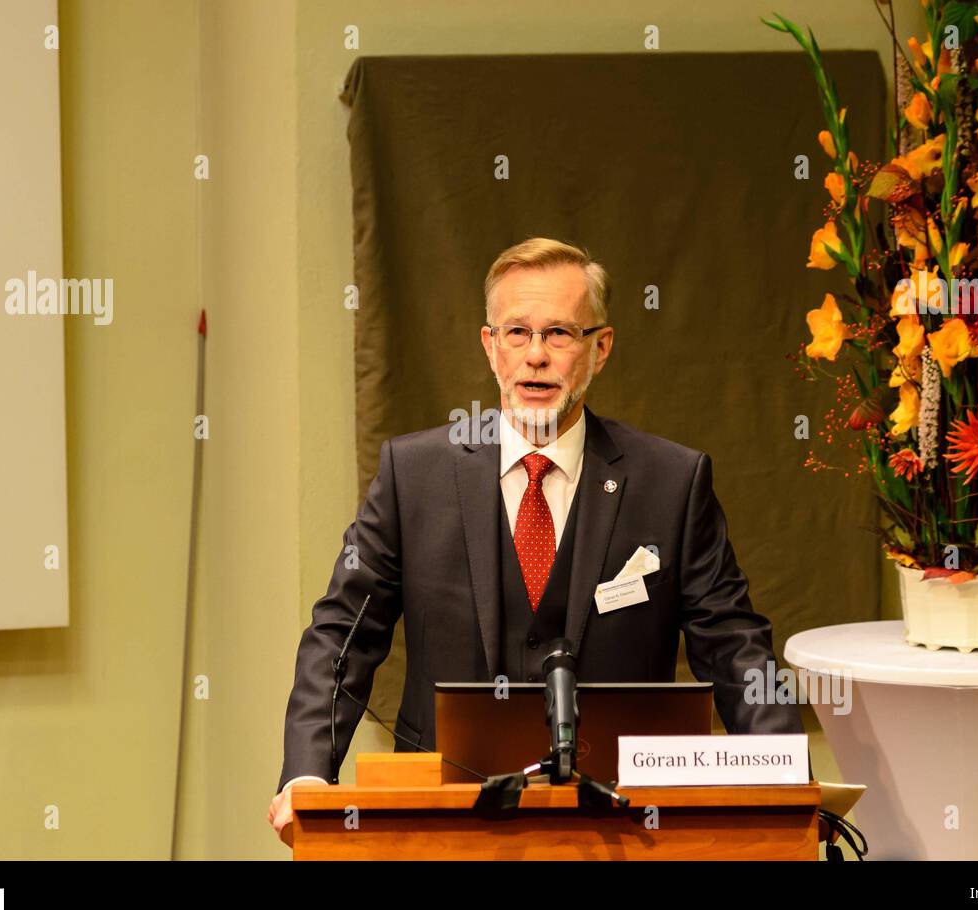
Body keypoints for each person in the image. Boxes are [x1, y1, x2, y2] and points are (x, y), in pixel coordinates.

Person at [268, 238, 803, 837]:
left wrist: (785, 776)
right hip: (443, 814)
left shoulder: (672, 482)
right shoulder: (412, 475)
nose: (536, 356)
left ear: (600, 349)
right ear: (490, 346)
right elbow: (342, 632)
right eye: (517, 333)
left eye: (559, 334)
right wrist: (308, 774)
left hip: (620, 822)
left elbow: (733, 644)